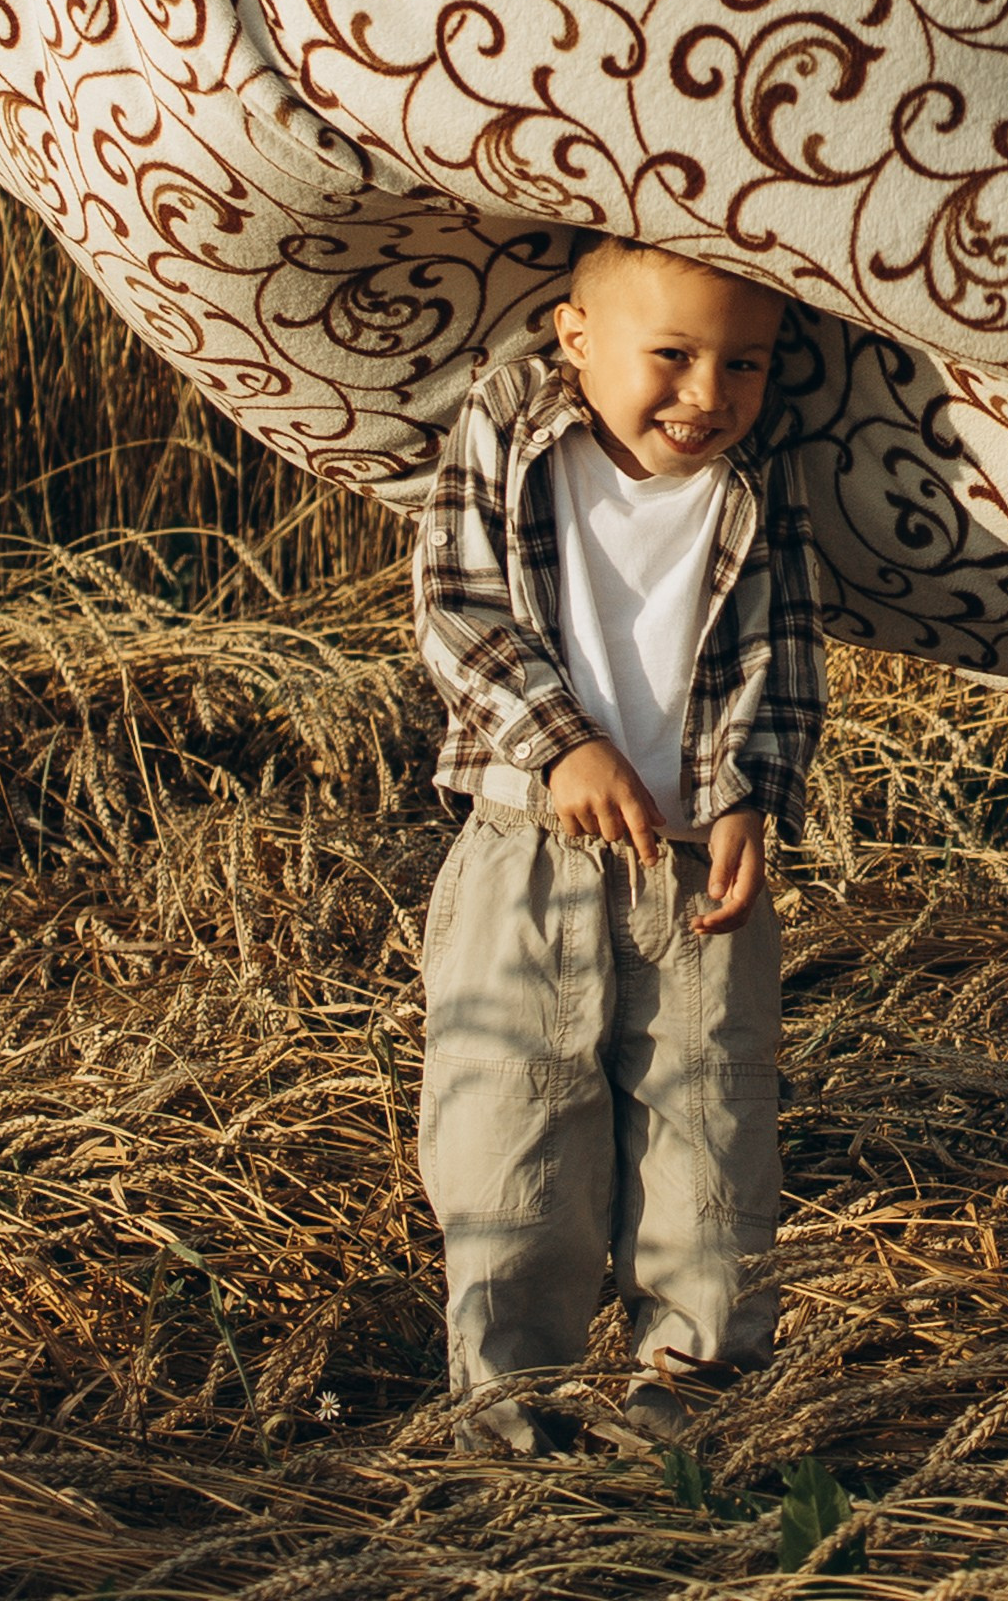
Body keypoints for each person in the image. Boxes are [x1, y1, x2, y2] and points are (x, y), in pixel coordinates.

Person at [412, 234, 827, 1450]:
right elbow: (456, 600)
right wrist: (560, 744)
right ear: (573, 337)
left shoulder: (760, 470)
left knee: (713, 1129)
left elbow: (779, 644)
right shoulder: (507, 424)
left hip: (696, 865)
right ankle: (509, 1412)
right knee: (509, 1130)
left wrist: (753, 793)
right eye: (672, 356)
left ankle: (694, 1409)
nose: (707, 396)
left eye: (742, 364)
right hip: (524, 845)